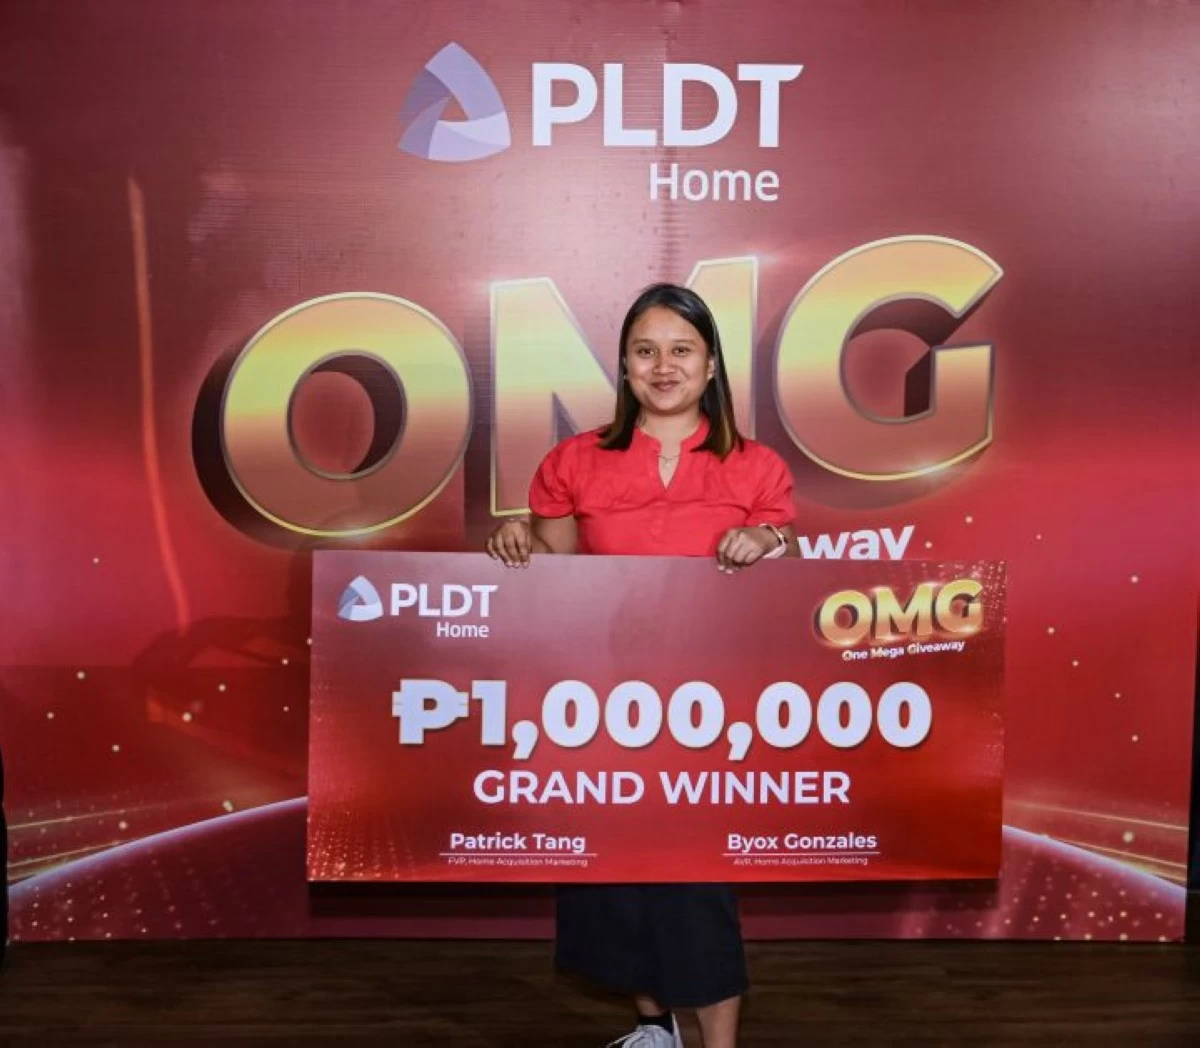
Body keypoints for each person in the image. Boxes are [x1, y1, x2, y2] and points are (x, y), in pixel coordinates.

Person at [486, 283, 799, 1048]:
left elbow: (787, 582)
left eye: (681, 350)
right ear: (624, 365)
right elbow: (559, 580)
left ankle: (718, 1046)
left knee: (697, 881)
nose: (664, 366)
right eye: (645, 351)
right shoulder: (573, 460)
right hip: (602, 704)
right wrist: (518, 541)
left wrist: (768, 542)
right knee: (613, 876)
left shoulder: (756, 468)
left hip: (708, 710)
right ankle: (655, 1028)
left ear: (711, 364)